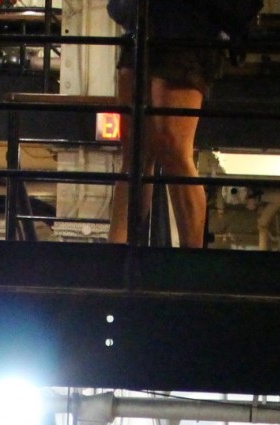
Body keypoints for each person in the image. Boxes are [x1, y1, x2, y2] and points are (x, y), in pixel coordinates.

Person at [107, 0, 228, 247]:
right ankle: (118, 254)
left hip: (184, 31)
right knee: (135, 150)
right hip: (142, 27)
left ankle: (189, 261)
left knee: (172, 147)